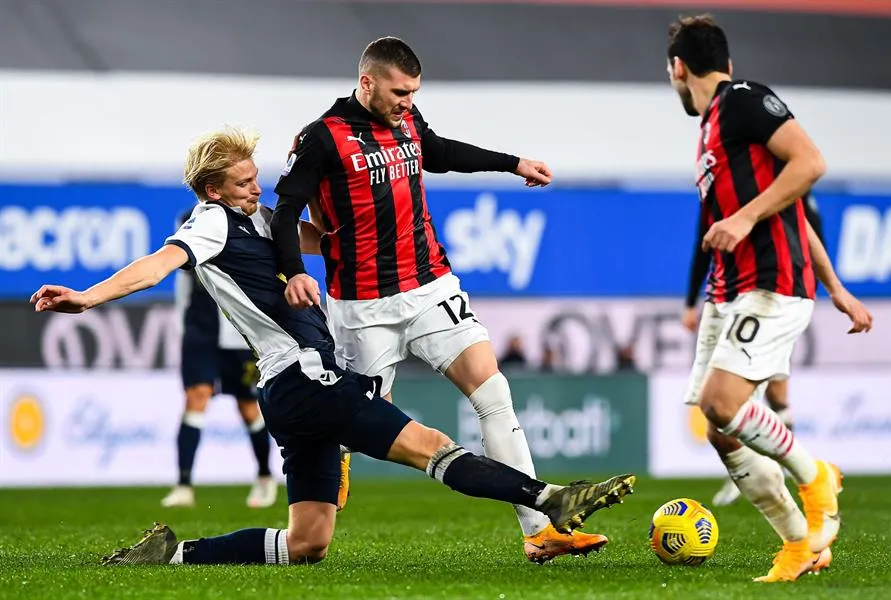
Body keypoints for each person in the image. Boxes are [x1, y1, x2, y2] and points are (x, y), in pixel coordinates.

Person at [30, 127, 636, 566]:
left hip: (290, 393)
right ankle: (549, 500)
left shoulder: (260, 220)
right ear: (212, 188)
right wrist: (87, 297)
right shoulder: (210, 224)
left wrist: (342, 190)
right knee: (433, 444)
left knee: (307, 543)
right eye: (243, 181)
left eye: (255, 177)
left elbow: (325, 238)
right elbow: (157, 264)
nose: (255, 186)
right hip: (306, 378)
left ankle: (174, 554)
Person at [269, 36, 609, 564]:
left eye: (413, 92)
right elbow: (286, 211)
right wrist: (293, 270)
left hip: (430, 285)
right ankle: (333, 449)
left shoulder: (407, 120)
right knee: (365, 420)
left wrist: (513, 162)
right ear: (367, 83)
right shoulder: (322, 139)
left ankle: (541, 531)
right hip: (363, 306)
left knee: (493, 393)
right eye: (399, 92)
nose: (407, 101)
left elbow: (441, 152)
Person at [667, 15, 873, 582]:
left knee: (723, 404)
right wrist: (837, 288)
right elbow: (792, 209)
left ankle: (816, 476)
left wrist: (743, 216)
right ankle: (799, 545)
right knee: (719, 428)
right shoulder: (710, 130)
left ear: (679, 68)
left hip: (770, 283)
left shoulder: (744, 100)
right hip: (728, 291)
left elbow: (812, 165)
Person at [681, 194, 825, 507]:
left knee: (772, 394)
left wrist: (819, 294)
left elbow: (811, 249)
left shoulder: (797, 202)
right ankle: (757, 470)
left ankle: (790, 469)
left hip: (776, 298)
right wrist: (691, 301)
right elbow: (703, 246)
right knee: (731, 404)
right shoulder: (727, 190)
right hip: (731, 298)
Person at [161, 207, 276, 509]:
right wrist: (184, 325)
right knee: (196, 397)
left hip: (240, 335)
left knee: (249, 407)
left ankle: (265, 477)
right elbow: (182, 280)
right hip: (201, 330)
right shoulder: (186, 218)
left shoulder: (248, 220)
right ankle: (184, 485)